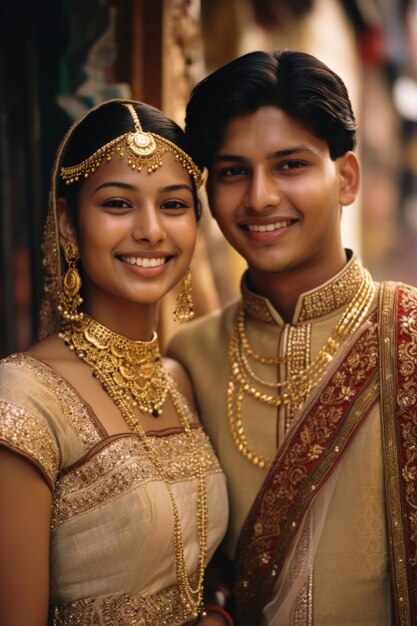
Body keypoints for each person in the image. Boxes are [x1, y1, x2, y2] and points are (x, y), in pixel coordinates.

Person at [168, 50, 417, 625]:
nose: (260, 198)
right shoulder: (190, 358)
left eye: (290, 166)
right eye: (233, 172)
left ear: (346, 177)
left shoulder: (405, 333)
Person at [0, 99, 232, 626]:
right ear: (67, 223)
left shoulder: (177, 381)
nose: (151, 230)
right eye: (118, 205)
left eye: (174, 205)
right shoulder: (23, 399)